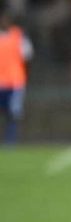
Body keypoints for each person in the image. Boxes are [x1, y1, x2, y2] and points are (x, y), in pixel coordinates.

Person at [0, 15, 31, 145]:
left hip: (15, 81)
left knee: (13, 112)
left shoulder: (19, 36)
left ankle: (10, 140)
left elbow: (27, 55)